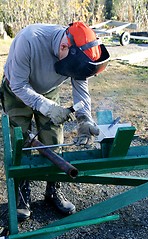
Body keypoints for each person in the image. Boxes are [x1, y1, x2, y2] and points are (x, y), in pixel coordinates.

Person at [1, 21, 110, 221]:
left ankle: (53, 189)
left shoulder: (77, 49)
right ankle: (21, 195)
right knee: (20, 142)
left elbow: (80, 86)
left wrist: (84, 117)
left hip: (48, 91)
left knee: (53, 141)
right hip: (16, 89)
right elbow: (18, 84)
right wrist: (48, 108)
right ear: (63, 47)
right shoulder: (30, 40)